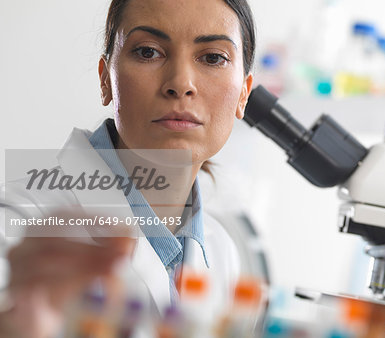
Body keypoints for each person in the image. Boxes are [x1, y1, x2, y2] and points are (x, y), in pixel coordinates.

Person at [0, 0, 255, 336]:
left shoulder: (223, 251)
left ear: (243, 95)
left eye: (212, 57)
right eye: (148, 52)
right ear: (106, 80)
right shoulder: (18, 225)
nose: (180, 83)